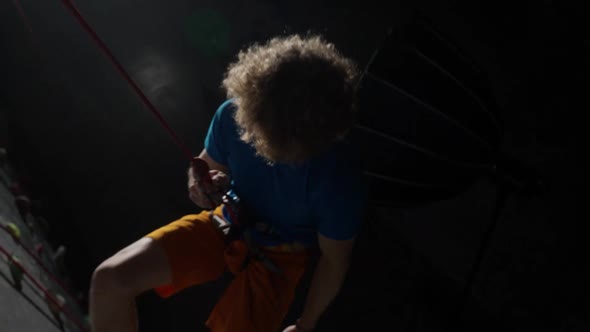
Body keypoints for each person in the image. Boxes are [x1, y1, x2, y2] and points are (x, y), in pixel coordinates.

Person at [89, 34, 367, 332]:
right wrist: (200, 185)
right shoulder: (237, 115)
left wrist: (305, 324)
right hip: (227, 220)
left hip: (281, 257)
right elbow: (205, 166)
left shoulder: (338, 180)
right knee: (110, 280)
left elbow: (333, 262)